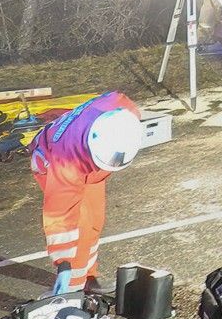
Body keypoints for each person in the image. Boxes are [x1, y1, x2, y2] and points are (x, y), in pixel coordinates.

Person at [29, 91, 145, 292]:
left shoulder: (123, 112)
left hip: (88, 167)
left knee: (94, 220)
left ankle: (88, 277)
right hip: (50, 161)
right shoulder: (66, 161)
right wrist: (63, 263)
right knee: (79, 227)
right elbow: (60, 215)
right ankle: (73, 290)